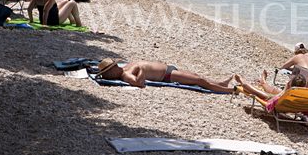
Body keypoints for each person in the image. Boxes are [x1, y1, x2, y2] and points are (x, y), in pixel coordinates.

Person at [96, 58, 235, 92]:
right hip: (167, 76)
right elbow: (139, 84)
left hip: (168, 69)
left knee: (196, 75)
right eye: (113, 67)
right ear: (111, 73)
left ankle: (220, 83)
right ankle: (227, 90)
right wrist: (142, 69)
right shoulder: (125, 75)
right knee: (198, 80)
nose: (116, 67)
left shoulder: (124, 68)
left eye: (114, 65)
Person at [235, 72, 307, 112]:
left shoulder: (284, 95)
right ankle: (263, 82)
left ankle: (242, 81)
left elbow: (275, 99)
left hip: (278, 101)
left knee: (255, 91)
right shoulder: (303, 98)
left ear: (290, 84)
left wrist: (286, 88)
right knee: (275, 90)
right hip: (290, 104)